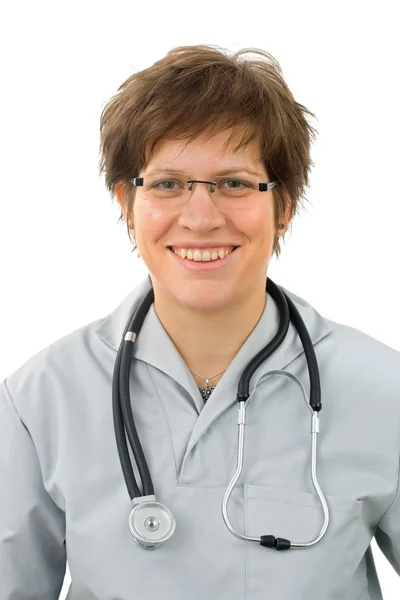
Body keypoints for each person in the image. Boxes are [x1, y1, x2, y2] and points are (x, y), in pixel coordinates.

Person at [1, 43, 399, 600]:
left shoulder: (384, 391)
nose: (200, 216)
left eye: (234, 183)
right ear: (126, 202)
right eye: (167, 184)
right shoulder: (41, 399)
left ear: (282, 207)